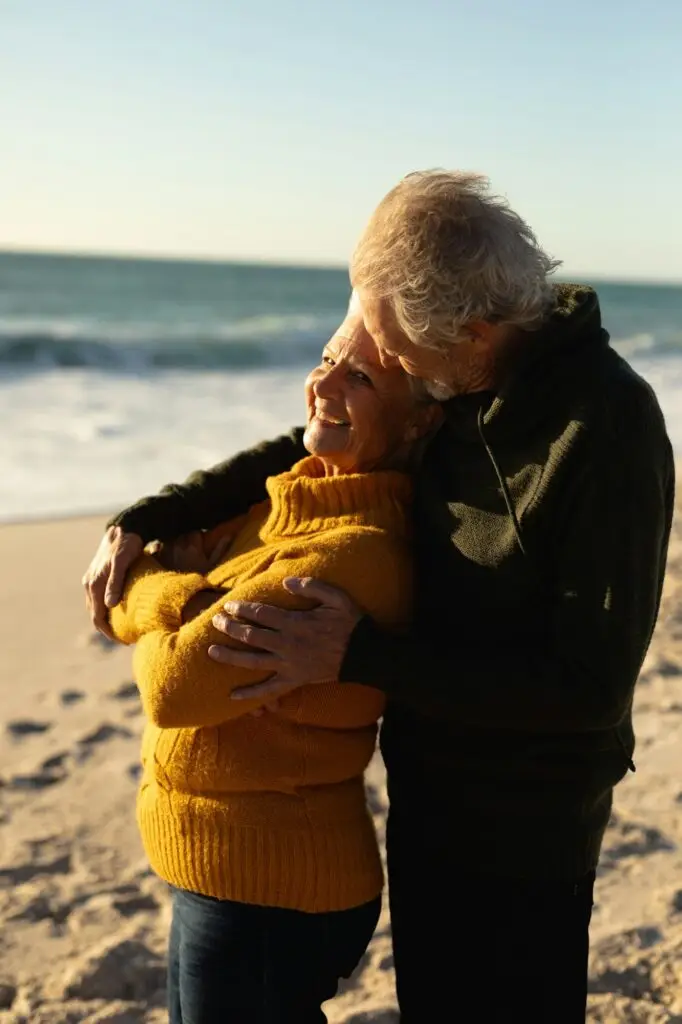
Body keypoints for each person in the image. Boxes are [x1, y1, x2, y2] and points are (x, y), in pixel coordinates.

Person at [84, 171, 675, 1023]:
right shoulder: (454, 377)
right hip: (424, 785)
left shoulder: (606, 431)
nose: (382, 361)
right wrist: (152, 516)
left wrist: (359, 654)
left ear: (471, 334)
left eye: (391, 355)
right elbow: (313, 440)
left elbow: (587, 689)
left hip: (527, 820)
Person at [103, 314, 439, 1023]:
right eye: (324, 359)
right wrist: (177, 600)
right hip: (223, 874)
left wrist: (165, 589)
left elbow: (170, 687)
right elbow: (114, 613)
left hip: (272, 889)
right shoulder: (275, 503)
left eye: (359, 377)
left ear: (417, 422)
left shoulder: (354, 554)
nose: (321, 383)